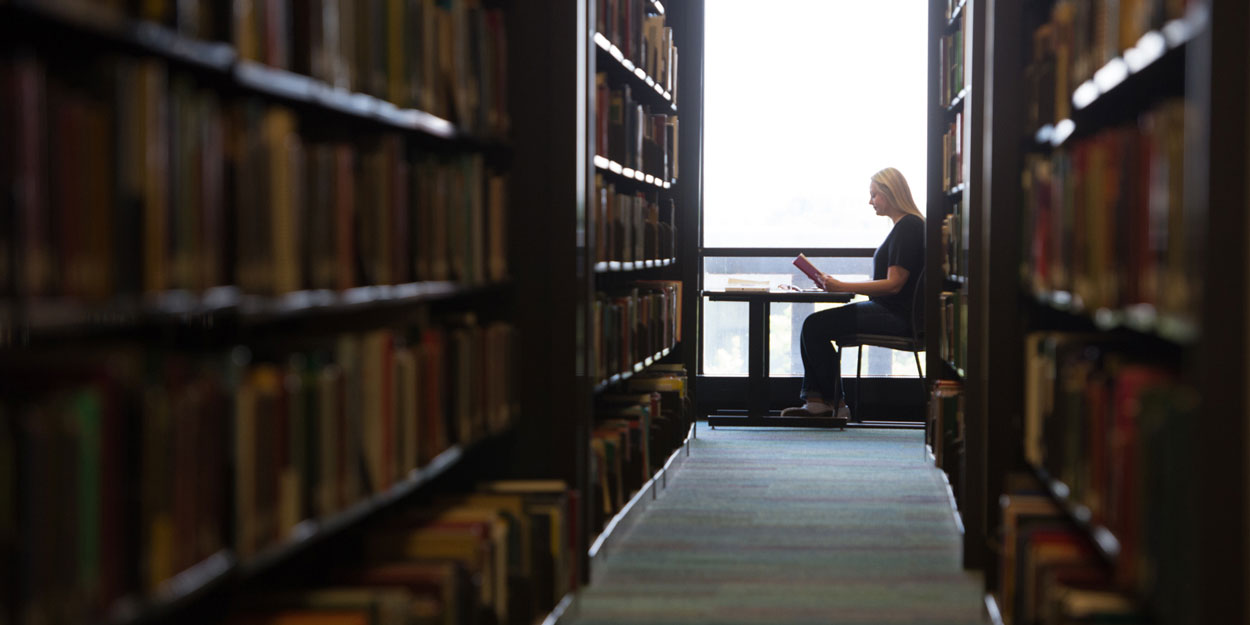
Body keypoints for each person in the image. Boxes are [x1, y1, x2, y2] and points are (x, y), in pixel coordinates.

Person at [780, 167, 925, 419]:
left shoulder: (908, 227)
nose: (870, 201)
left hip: (897, 316)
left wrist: (843, 286)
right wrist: (837, 285)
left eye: (875, 195)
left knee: (814, 326)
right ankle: (818, 402)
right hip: (892, 312)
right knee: (814, 326)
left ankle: (832, 405)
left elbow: (894, 284)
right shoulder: (905, 227)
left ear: (891, 194)